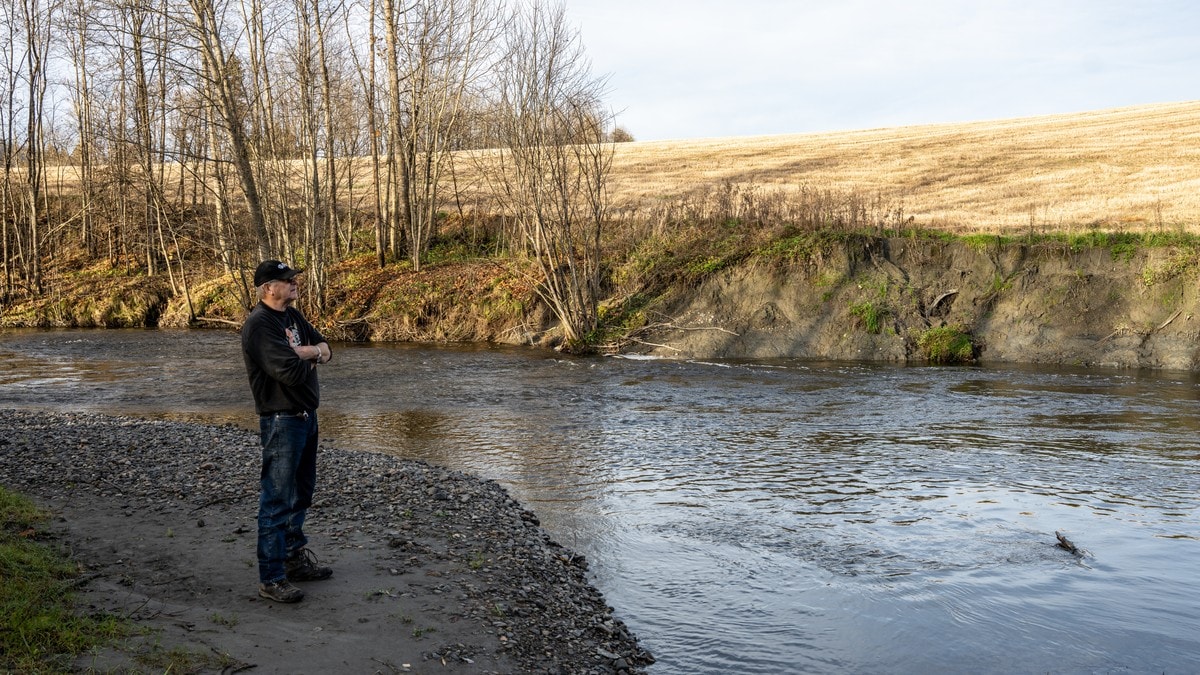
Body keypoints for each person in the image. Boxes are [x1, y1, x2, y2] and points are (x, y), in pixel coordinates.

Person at [241, 259, 334, 603]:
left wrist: (308, 352)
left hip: (307, 417)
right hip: (282, 420)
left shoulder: (292, 317)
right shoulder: (260, 325)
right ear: (269, 287)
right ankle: (272, 577)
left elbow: (327, 347)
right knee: (277, 499)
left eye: (294, 277)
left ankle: (294, 559)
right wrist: (312, 357)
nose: (295, 282)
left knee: (302, 493)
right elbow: (290, 373)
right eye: (287, 279)